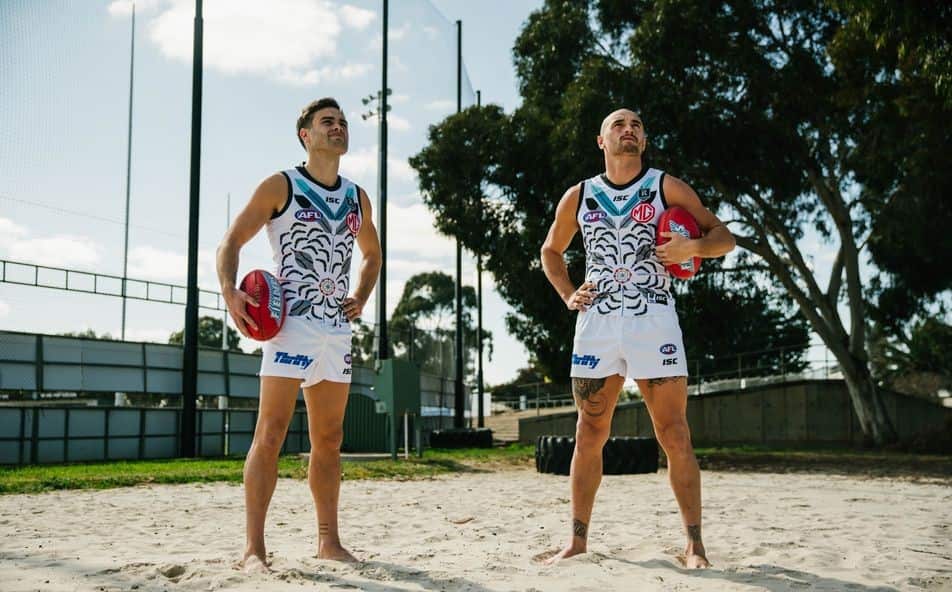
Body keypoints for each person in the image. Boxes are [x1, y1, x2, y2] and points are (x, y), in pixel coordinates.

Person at [539, 108, 735, 568]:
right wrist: (568, 293)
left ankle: (694, 546)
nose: (629, 130)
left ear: (643, 143)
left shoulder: (666, 187)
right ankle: (577, 542)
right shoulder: (580, 195)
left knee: (674, 433)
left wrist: (694, 247)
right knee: (589, 432)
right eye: (619, 125)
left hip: (654, 320)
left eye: (637, 126)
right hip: (598, 323)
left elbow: (722, 237)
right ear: (601, 140)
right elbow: (551, 250)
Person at [216, 97, 381, 572]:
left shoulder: (357, 197)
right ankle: (254, 547)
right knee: (270, 433)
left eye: (343, 122)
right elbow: (232, 240)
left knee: (329, 437)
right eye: (328, 122)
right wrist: (230, 291)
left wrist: (362, 296)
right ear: (305, 135)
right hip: (289, 327)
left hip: (335, 330)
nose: (339, 128)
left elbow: (372, 254)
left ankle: (328, 542)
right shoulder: (280, 185)